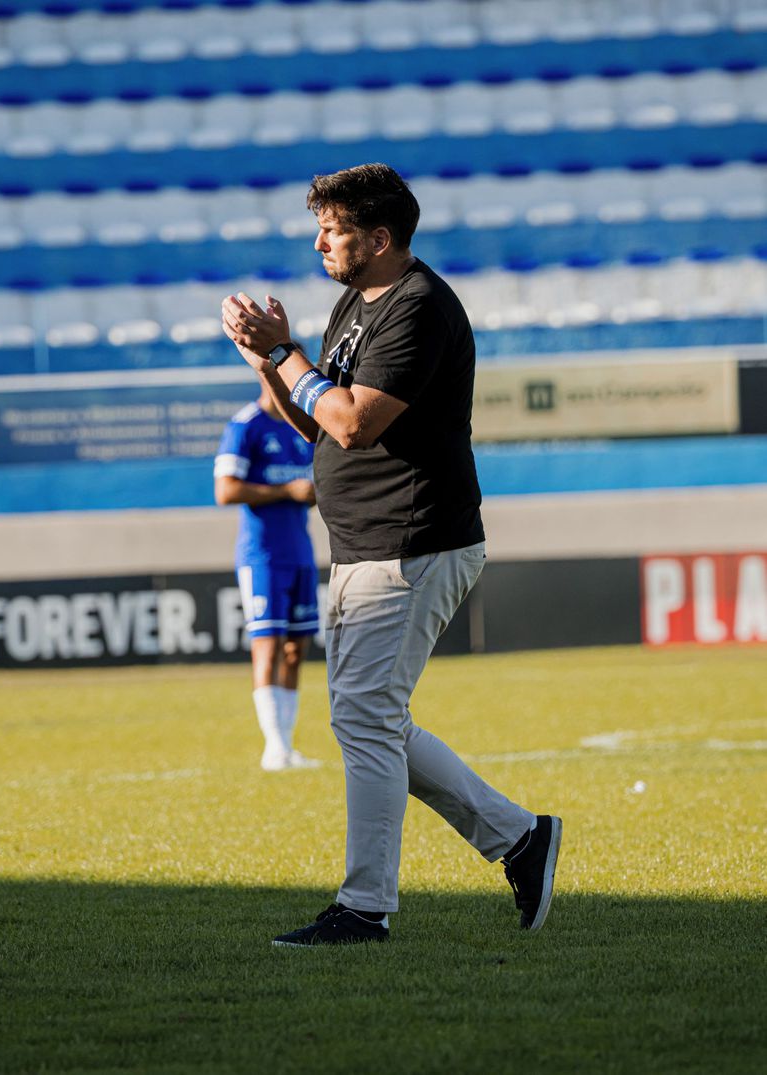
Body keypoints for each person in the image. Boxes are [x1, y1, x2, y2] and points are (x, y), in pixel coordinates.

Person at [221, 162, 562, 944]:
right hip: (363, 544)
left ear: (379, 238)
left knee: (367, 718)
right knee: (369, 718)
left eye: (332, 231)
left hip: (413, 541)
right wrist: (265, 359)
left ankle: (365, 906)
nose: (319, 244)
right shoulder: (358, 300)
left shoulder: (419, 306)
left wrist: (288, 351)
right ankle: (520, 837)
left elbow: (353, 423)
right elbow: (317, 419)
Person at [214, 386, 321, 771]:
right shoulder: (246, 425)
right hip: (262, 556)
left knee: (296, 649)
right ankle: (273, 747)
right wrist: (286, 490)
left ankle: (287, 747)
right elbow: (225, 490)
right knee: (268, 645)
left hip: (301, 552)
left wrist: (311, 493)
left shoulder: (302, 425)